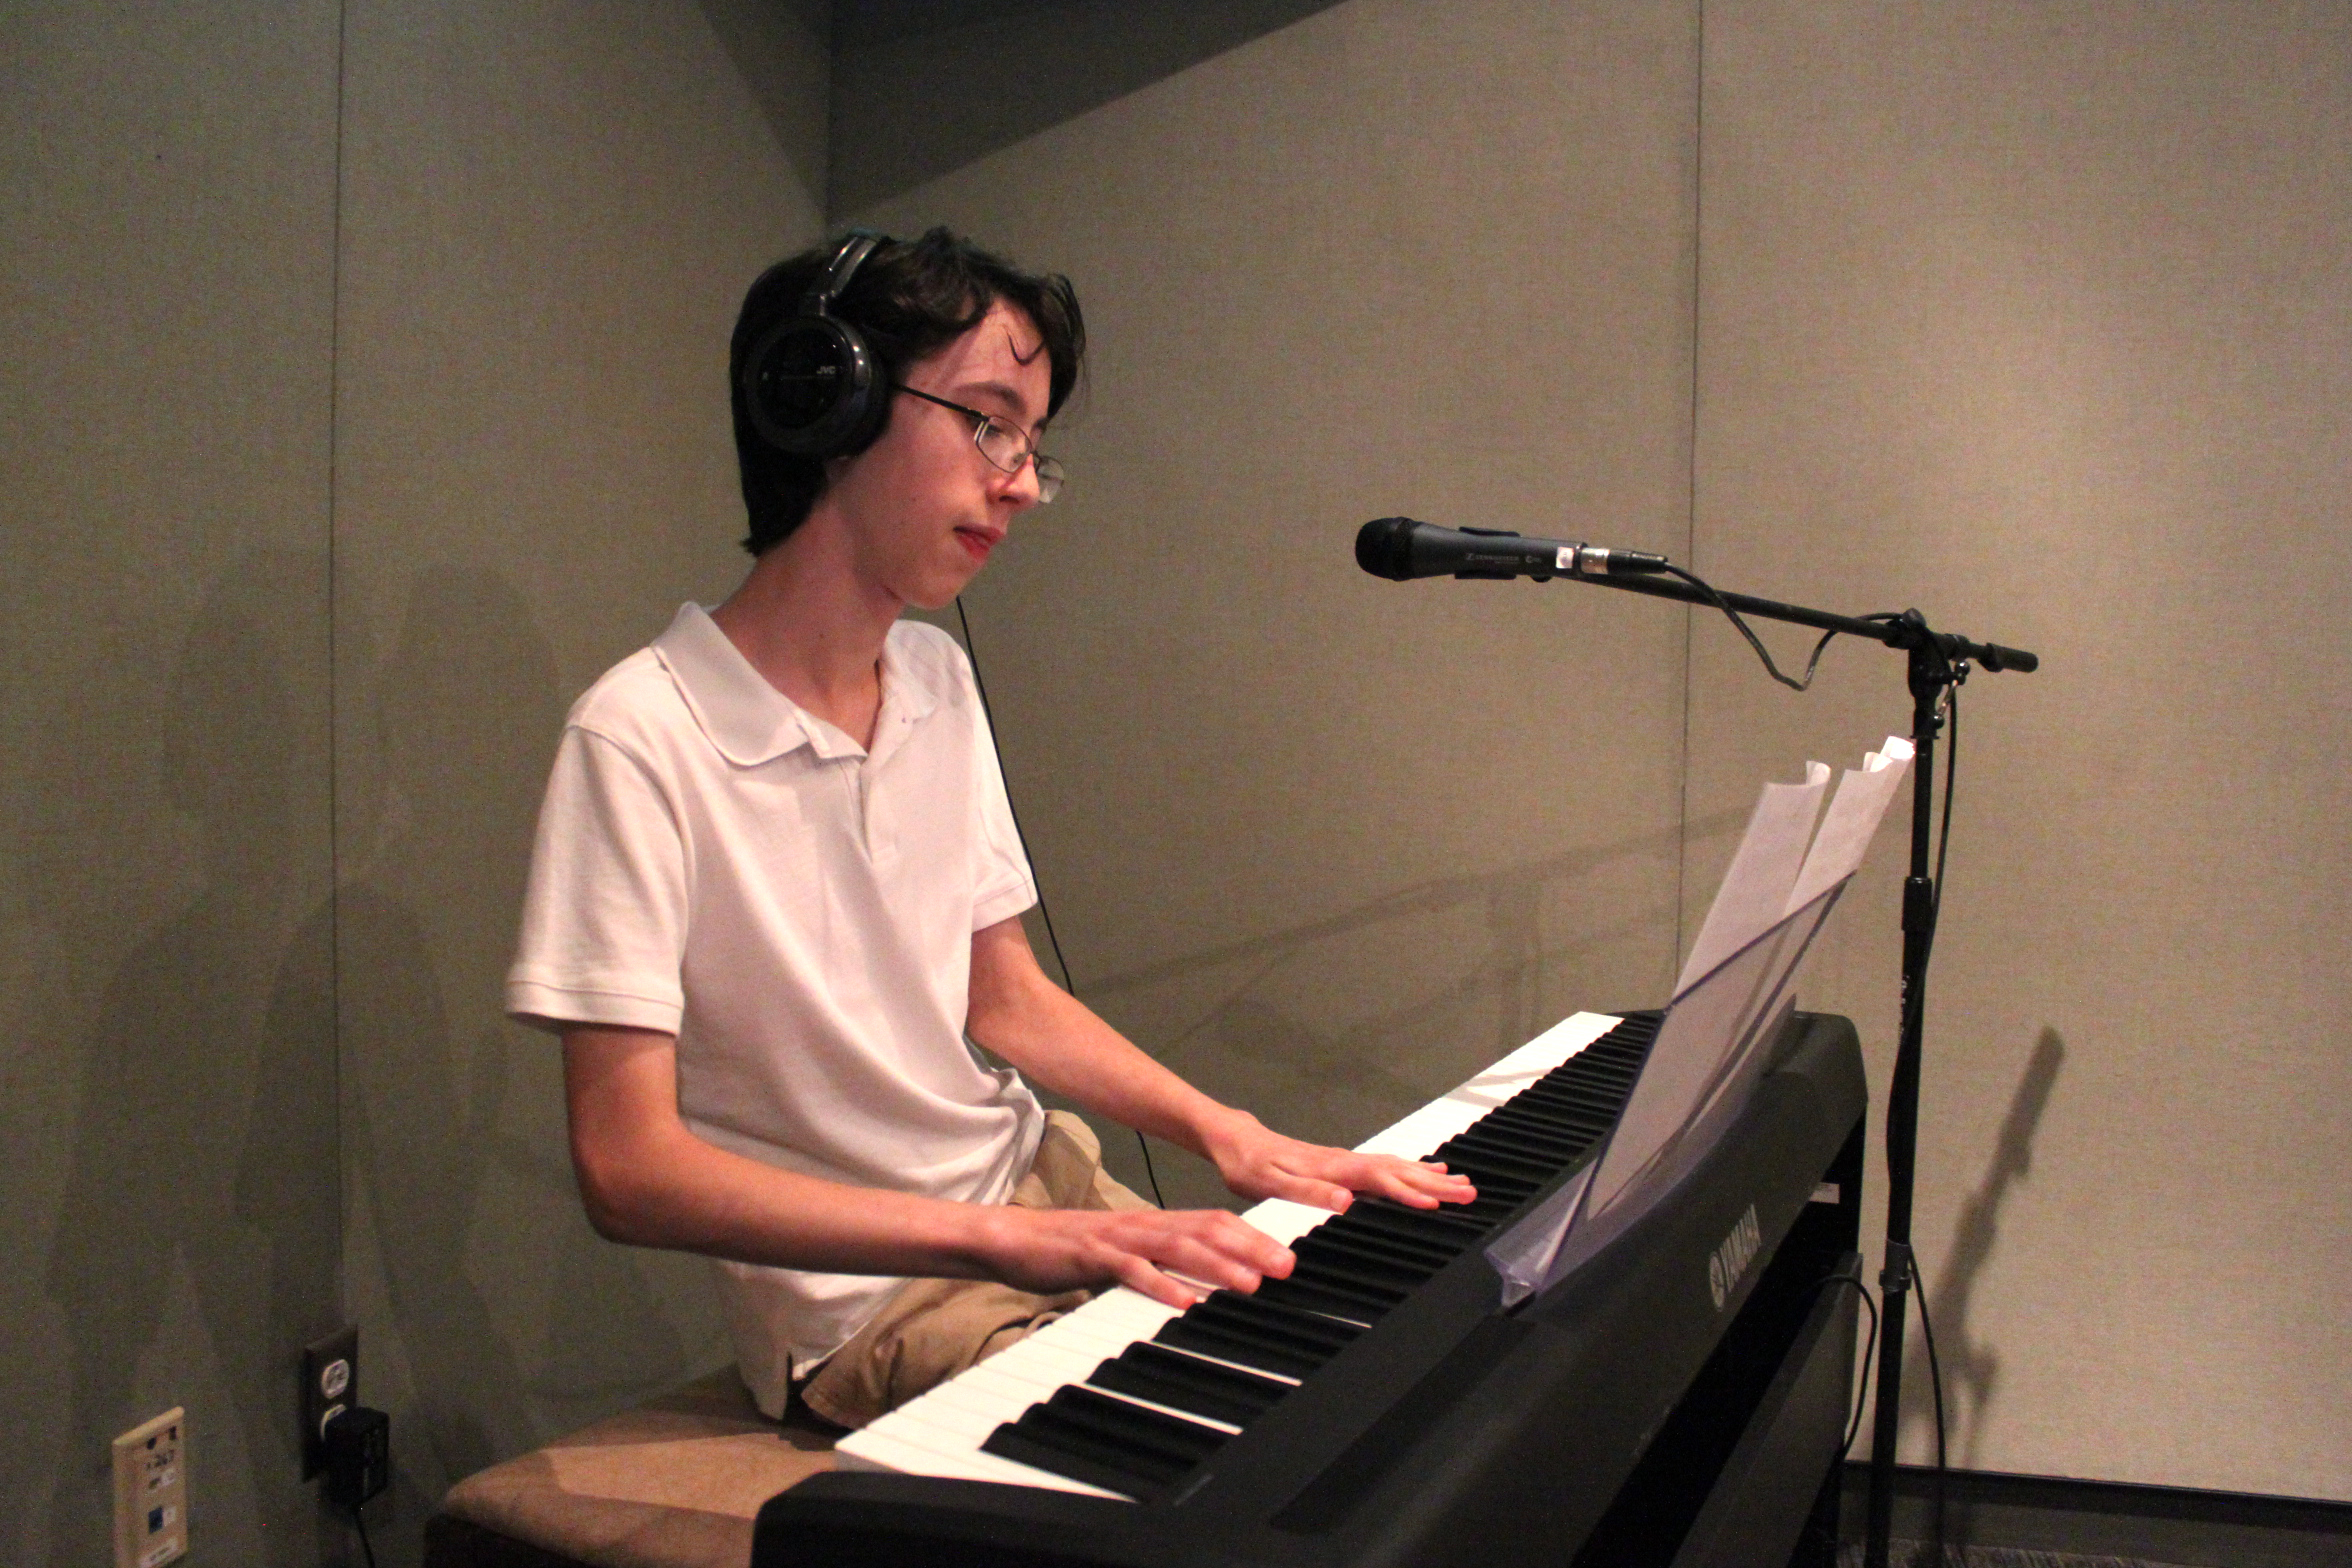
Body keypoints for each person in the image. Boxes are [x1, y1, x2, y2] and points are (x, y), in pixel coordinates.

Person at [505, 228, 1473, 1429]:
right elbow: (627, 1166)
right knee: (1244, 1459)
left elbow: (1001, 996)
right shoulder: (640, 734)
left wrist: (1232, 1131)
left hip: (1036, 1183)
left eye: (1030, 444)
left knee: (1376, 1367)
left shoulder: (933, 679)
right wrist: (1008, 1243)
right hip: (874, 1305)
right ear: (829, 397)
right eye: (987, 422)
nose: (1018, 480)